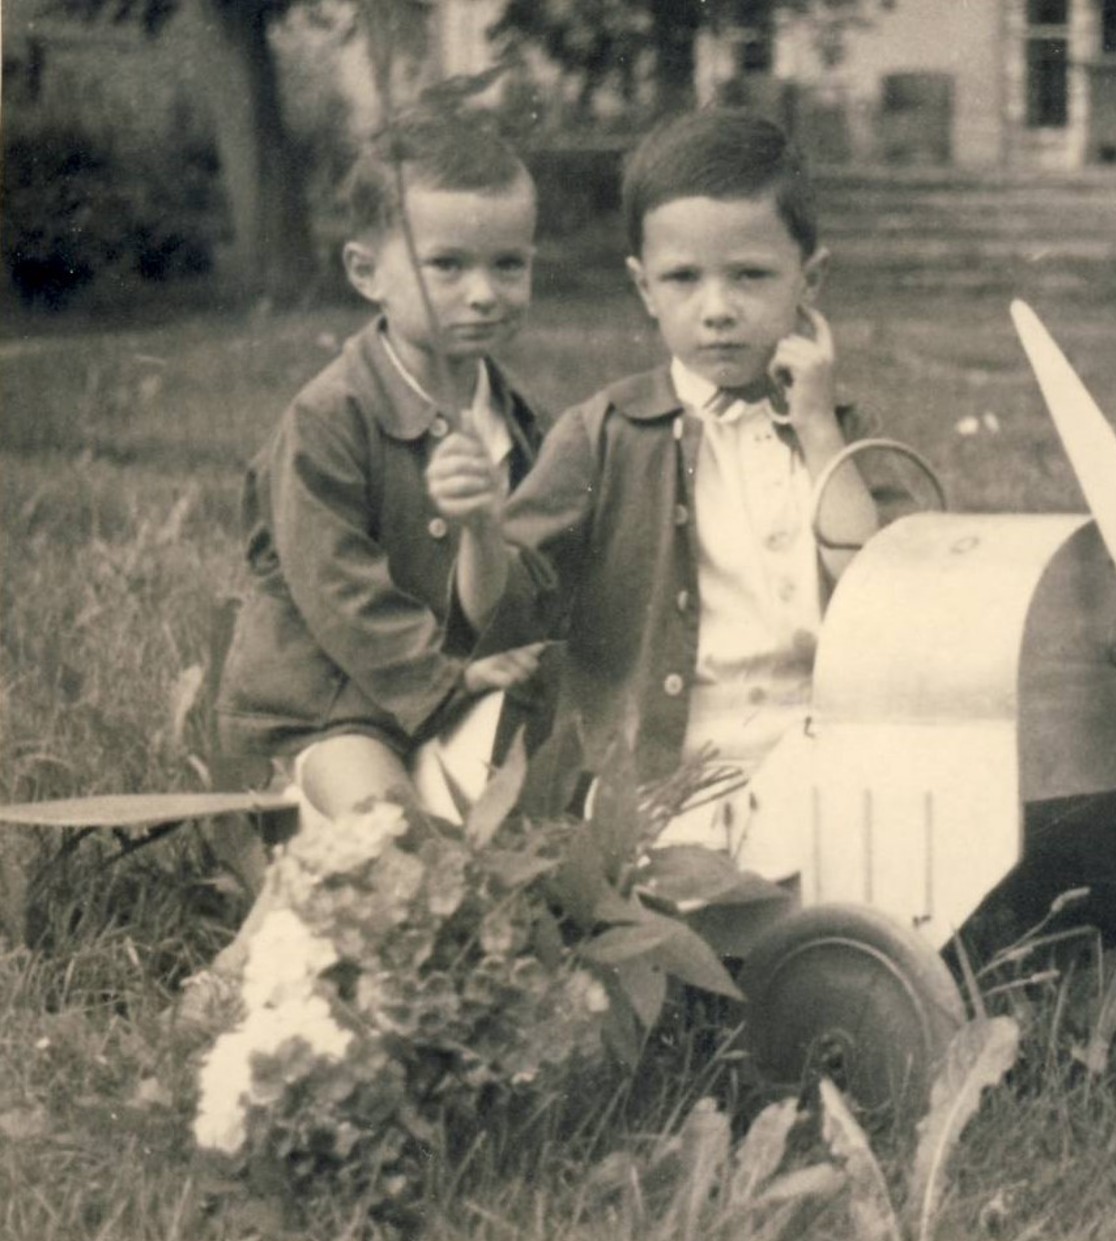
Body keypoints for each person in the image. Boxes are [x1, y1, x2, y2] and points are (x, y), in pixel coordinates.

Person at [432, 108, 896, 852]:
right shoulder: (605, 434)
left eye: (750, 276)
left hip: (824, 756)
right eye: (683, 279)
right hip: (665, 777)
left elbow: (888, 599)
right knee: (707, 879)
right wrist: (481, 530)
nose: (717, 311)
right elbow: (504, 615)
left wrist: (817, 429)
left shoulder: (842, 430)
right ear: (644, 288)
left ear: (809, 280)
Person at [214, 107, 549, 835]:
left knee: (546, 814)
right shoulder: (330, 418)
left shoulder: (522, 424)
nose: (484, 293)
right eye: (447, 266)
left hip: (459, 693)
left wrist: (485, 536)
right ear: (367, 272)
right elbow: (338, 588)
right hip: (333, 707)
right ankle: (296, 860)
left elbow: (517, 594)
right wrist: (445, 679)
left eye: (508, 264)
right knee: (394, 837)